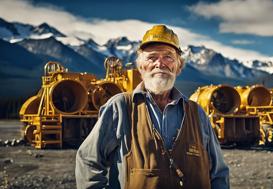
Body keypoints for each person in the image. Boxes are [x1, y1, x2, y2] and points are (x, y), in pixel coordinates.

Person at [76, 24, 230, 189]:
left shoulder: (196, 113)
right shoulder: (120, 107)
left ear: (179, 66)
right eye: (152, 57)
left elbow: (218, 174)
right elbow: (88, 160)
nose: (160, 64)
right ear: (140, 67)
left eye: (168, 57)